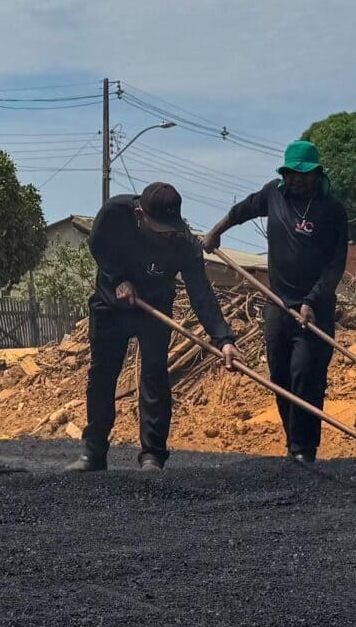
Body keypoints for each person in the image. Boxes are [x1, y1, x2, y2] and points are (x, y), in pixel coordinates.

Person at [202, 140, 349, 465]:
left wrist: (312, 300)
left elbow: (335, 266)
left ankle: (304, 450)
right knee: (280, 378)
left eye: (304, 174)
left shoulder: (332, 210)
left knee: (305, 377)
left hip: (315, 311)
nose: (297, 179)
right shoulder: (273, 194)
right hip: (277, 305)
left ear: (317, 174)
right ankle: (292, 444)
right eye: (291, 174)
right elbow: (241, 211)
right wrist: (215, 232)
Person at [72, 183, 235, 472]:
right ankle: (93, 452)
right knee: (102, 376)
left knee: (155, 376)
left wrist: (223, 339)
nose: (166, 235)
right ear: (140, 216)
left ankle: (153, 455)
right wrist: (117, 279)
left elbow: (201, 292)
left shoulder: (185, 243)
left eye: (170, 230)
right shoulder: (114, 213)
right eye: (159, 229)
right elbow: (98, 246)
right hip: (111, 305)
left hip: (155, 308)